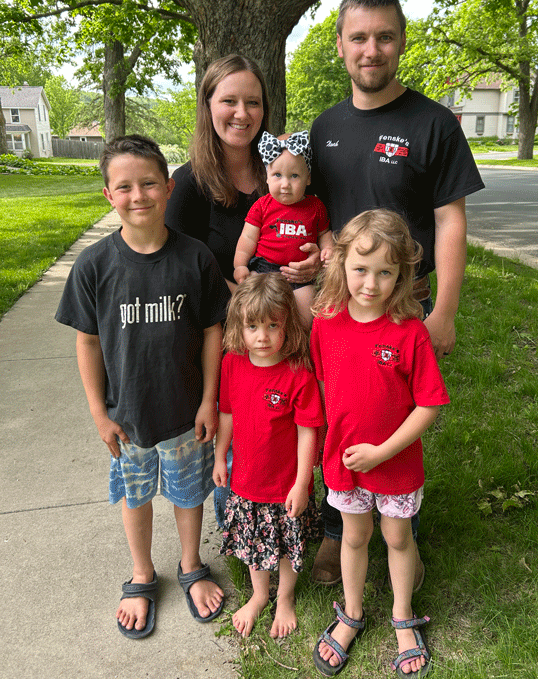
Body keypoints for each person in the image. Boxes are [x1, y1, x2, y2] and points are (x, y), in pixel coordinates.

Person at [306, 0, 485, 586]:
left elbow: (450, 219)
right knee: (341, 408)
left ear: (402, 41)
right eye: (358, 37)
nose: (372, 49)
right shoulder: (325, 127)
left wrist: (445, 312)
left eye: (385, 36)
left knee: (398, 413)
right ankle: (339, 529)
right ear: (340, 46)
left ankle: (401, 527)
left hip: (407, 302)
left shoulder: (434, 124)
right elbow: (317, 212)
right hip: (340, 303)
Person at [55, 135, 231, 638]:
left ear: (169, 188)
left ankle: (191, 565)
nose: (138, 195)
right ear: (108, 194)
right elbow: (88, 342)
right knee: (136, 498)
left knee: (188, 493)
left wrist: (209, 400)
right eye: (125, 186)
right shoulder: (94, 266)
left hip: (185, 411)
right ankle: (141, 573)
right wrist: (99, 413)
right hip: (127, 416)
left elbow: (213, 331)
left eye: (149, 183)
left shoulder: (196, 258)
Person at [165, 55, 320, 527]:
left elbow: (318, 225)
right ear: (207, 105)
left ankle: (295, 508)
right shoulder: (189, 184)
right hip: (228, 330)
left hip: (286, 323)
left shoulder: (284, 167)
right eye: (228, 100)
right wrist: (241, 291)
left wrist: (317, 258)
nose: (241, 113)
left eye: (253, 102)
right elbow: (177, 265)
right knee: (242, 418)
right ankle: (238, 517)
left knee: (289, 416)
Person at [310, 209, 450, 677]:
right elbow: (327, 387)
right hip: (346, 461)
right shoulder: (326, 323)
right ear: (341, 264)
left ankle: (402, 616)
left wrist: (383, 452)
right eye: (361, 269)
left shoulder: (410, 332)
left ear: (402, 274)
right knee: (354, 536)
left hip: (395, 464)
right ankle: (351, 613)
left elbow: (428, 405)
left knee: (396, 536)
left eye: (385, 272)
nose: (371, 283)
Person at [213, 273, 324, 639]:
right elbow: (226, 413)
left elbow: (308, 431)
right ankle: (260, 595)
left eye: (272, 325)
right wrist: (220, 456)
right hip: (246, 481)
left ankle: (285, 598)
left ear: (287, 325)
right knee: (252, 544)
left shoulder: (298, 374)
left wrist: (302, 483)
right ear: (239, 327)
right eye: (253, 326)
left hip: (285, 485)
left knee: (289, 546)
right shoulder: (232, 364)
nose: (262, 336)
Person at [233, 130, 334, 327]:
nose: (285, 184)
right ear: (267, 177)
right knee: (252, 305)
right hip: (264, 270)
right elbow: (248, 238)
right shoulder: (262, 205)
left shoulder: (315, 206)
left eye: (294, 176)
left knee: (308, 309)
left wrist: (328, 250)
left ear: (308, 178)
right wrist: (240, 265)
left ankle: (299, 340)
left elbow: (324, 234)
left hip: (300, 276)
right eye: (277, 175)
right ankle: (258, 340)